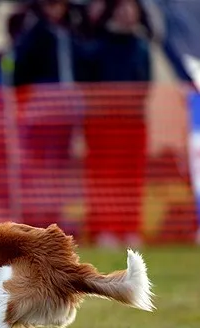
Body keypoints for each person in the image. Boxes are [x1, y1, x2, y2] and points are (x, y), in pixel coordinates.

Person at [82, 0, 152, 248]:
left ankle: (130, 228)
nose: (127, 13)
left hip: (134, 124)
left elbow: (146, 84)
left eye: (131, 8)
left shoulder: (142, 46)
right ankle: (105, 228)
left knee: (131, 177)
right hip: (103, 125)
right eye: (122, 8)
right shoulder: (97, 47)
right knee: (105, 176)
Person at [12, 0, 87, 228]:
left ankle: (55, 214)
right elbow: (20, 70)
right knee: (40, 165)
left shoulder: (71, 34)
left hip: (67, 111)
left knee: (60, 166)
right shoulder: (33, 33)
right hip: (41, 111)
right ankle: (38, 215)